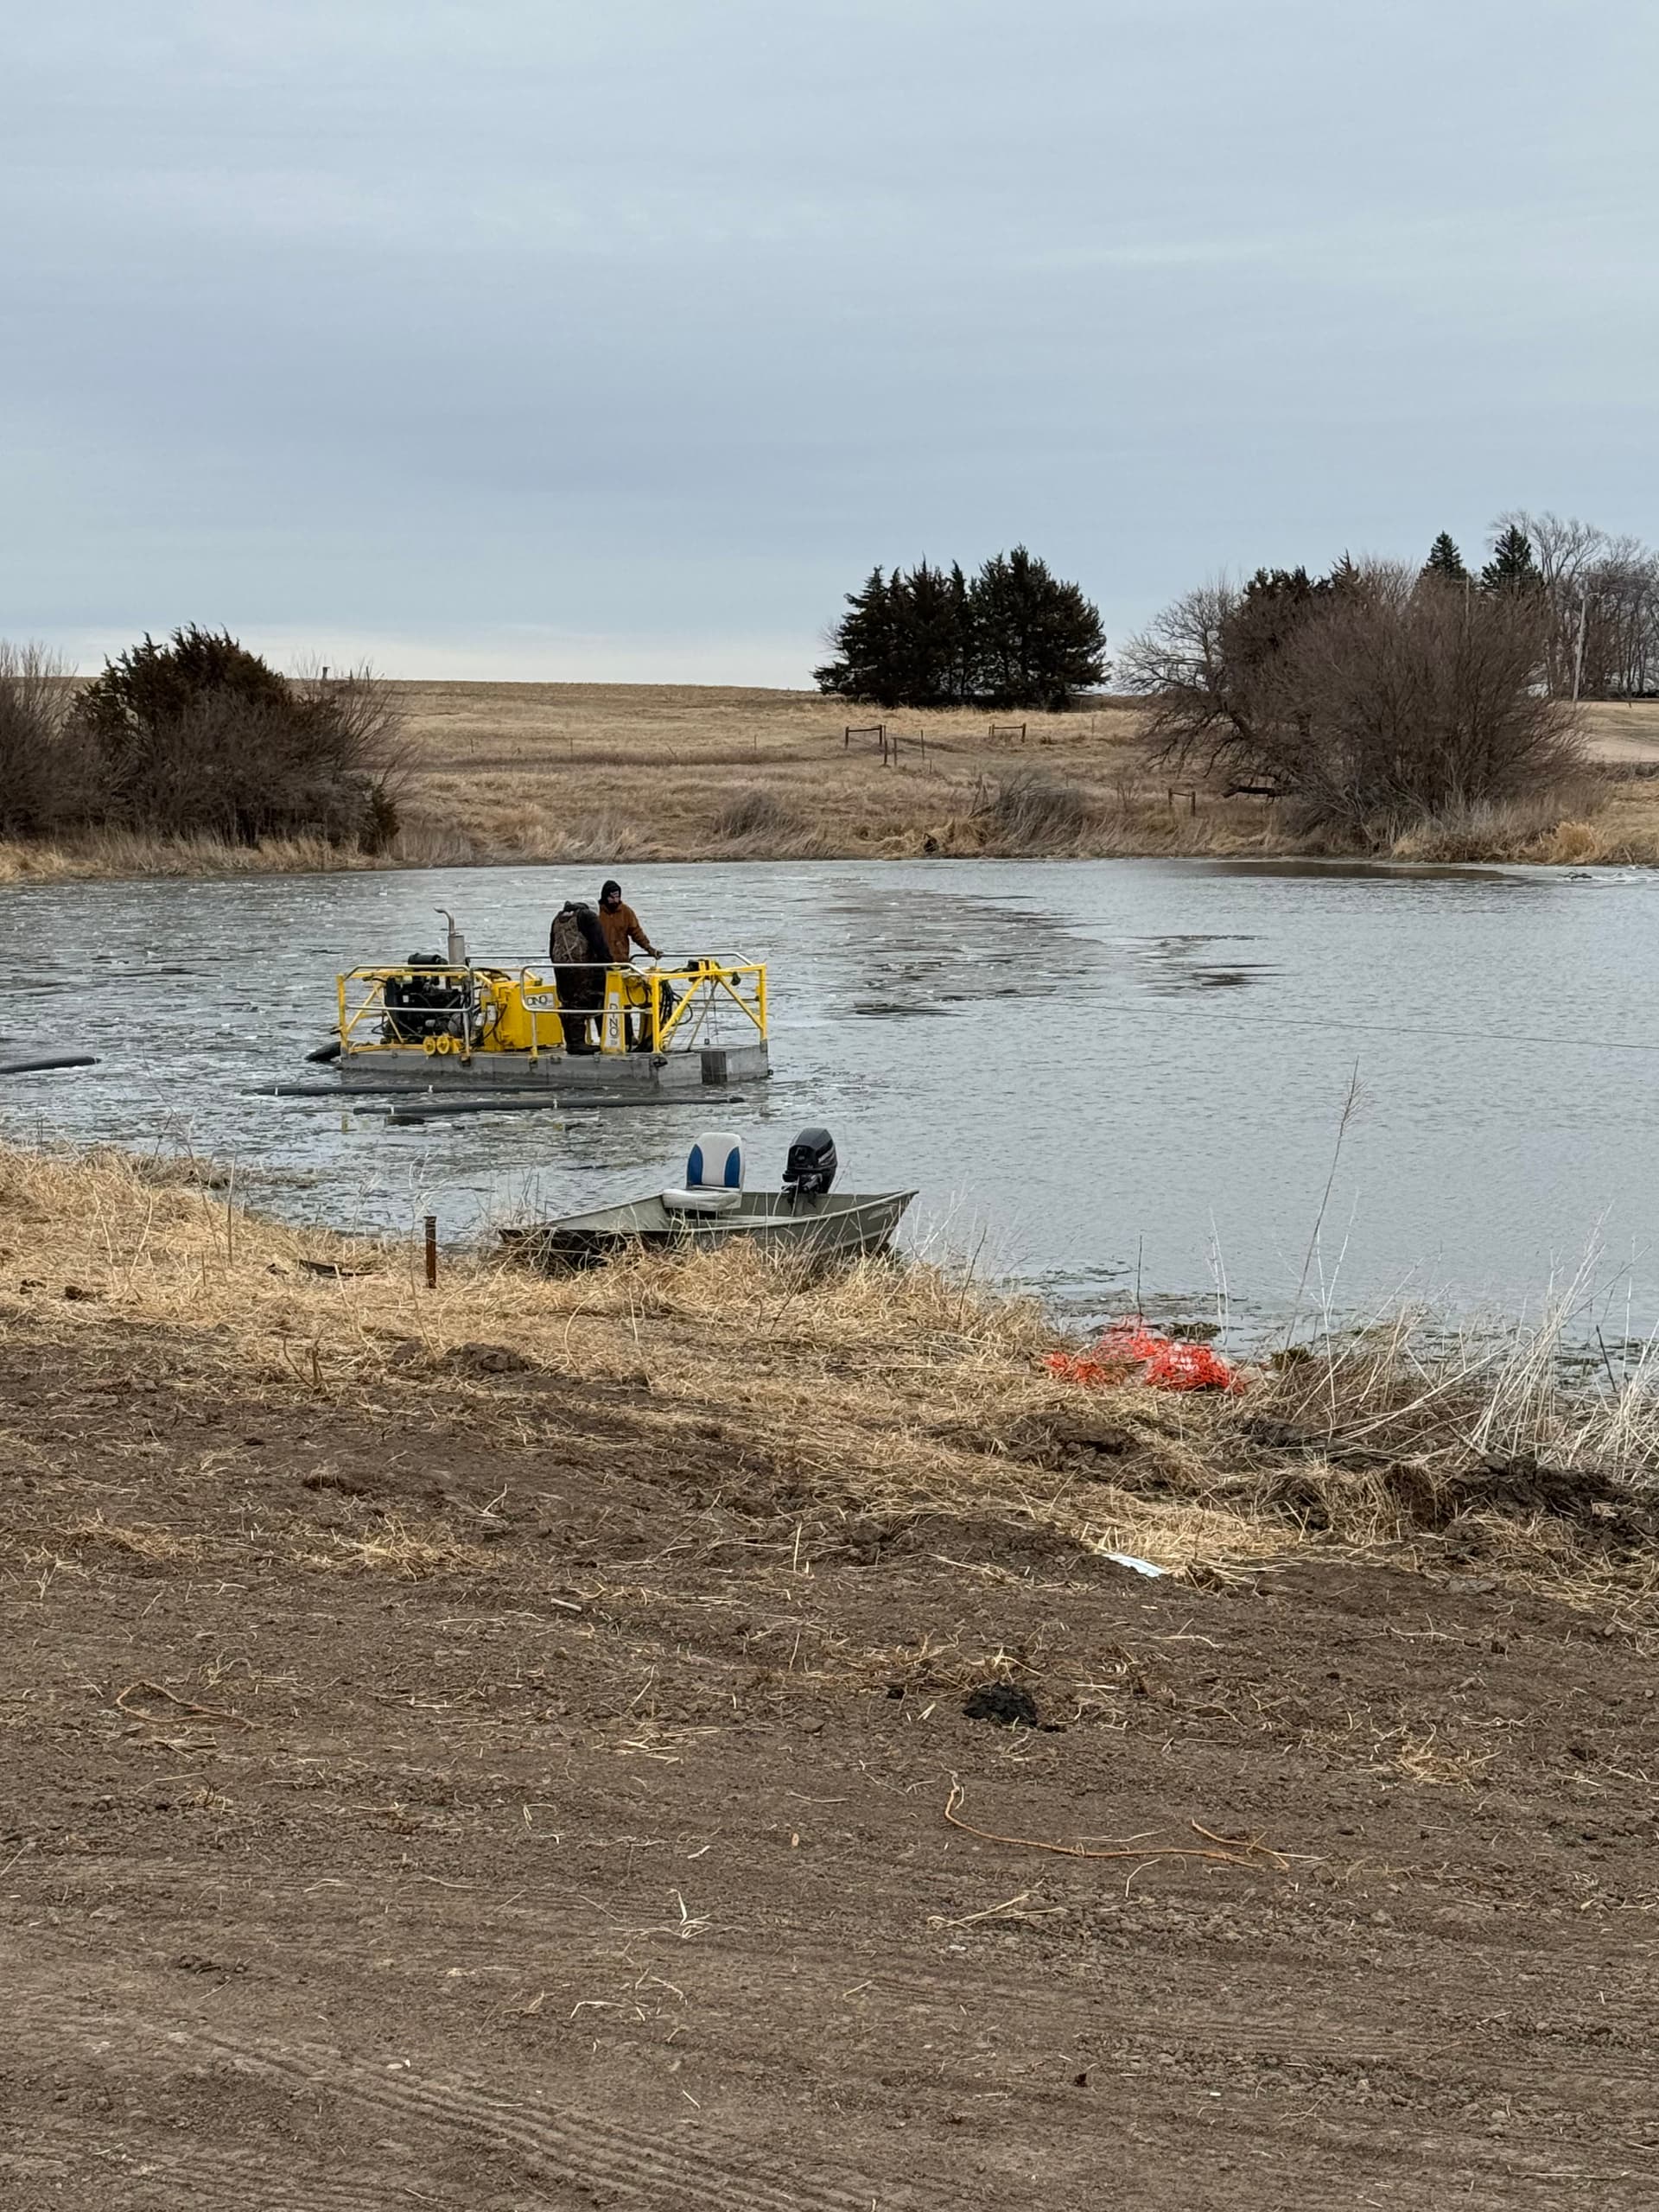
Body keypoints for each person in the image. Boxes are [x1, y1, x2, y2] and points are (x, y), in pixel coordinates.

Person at [549, 899, 608, 1053]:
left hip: (560, 965)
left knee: (566, 1002)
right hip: (580, 966)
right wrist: (609, 964)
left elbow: (552, 944)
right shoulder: (588, 916)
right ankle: (578, 1043)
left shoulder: (559, 917)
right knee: (580, 1001)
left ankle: (570, 1042)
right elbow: (599, 943)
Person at [596, 880, 660, 965]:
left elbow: (636, 932)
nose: (616, 900)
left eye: (617, 897)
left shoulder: (626, 912)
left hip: (622, 961)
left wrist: (649, 949)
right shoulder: (596, 912)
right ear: (605, 897)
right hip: (600, 962)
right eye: (612, 898)